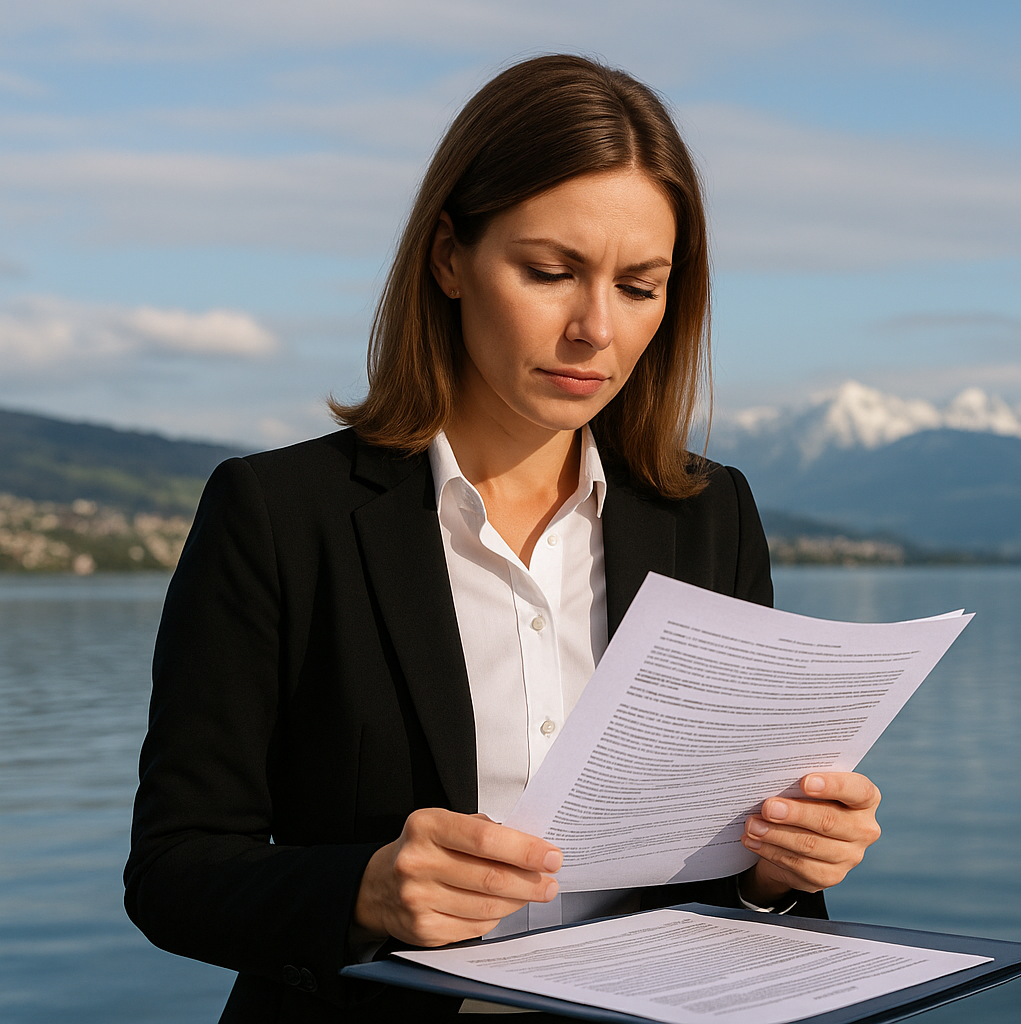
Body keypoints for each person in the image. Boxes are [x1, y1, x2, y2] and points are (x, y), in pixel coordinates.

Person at [125, 55, 883, 1023]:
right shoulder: (276, 515)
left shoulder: (713, 517)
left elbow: (735, 886)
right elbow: (173, 869)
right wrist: (363, 890)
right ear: (448, 256)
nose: (595, 330)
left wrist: (779, 873)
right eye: (550, 272)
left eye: (640, 286)